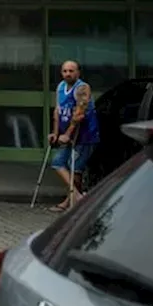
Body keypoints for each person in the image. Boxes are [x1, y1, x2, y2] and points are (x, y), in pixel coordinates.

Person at [49, 60, 99, 213]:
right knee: (58, 162)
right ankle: (76, 198)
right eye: (65, 71)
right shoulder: (60, 87)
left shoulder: (82, 88)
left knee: (75, 169)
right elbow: (58, 111)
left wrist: (67, 133)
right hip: (67, 134)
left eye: (71, 71)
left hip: (84, 135)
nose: (68, 74)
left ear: (78, 72)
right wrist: (56, 134)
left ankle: (71, 201)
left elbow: (79, 115)